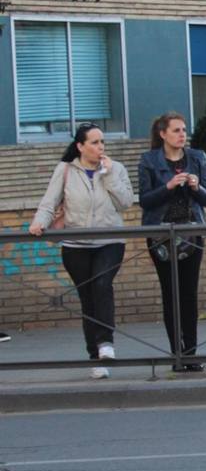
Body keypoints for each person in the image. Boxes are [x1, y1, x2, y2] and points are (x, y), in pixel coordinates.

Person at [28, 122, 135, 380]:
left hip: (109, 242)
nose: (100, 147)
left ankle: (106, 343)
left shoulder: (116, 168)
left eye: (102, 142)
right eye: (95, 142)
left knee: (101, 285)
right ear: (80, 146)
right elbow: (49, 201)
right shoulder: (65, 170)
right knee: (88, 300)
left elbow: (126, 203)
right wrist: (39, 222)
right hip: (76, 246)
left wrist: (108, 175)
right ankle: (96, 357)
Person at [138, 111, 206, 373]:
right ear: (163, 134)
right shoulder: (149, 160)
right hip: (161, 233)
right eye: (176, 130)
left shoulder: (197, 157)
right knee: (170, 292)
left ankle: (192, 353)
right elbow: (145, 201)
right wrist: (169, 185)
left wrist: (195, 187)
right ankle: (176, 354)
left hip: (191, 231)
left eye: (184, 130)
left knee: (189, 293)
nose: (182, 135)